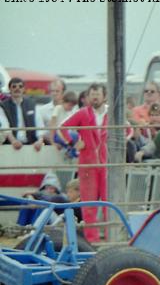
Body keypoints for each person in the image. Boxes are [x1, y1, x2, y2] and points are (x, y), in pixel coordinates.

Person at [59, 83, 109, 243]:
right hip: (87, 164)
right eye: (92, 94)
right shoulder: (83, 113)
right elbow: (63, 128)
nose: (94, 97)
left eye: (97, 94)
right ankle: (92, 241)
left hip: (108, 164)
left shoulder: (112, 113)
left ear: (104, 96)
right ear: (88, 96)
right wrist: (72, 144)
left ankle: (111, 238)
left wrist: (117, 148)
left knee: (110, 202)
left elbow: (128, 130)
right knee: (89, 205)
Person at [0, 77, 47, 151]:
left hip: (31, 145)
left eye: (20, 86)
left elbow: (39, 125)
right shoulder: (3, 106)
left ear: (24, 89)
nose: (17, 89)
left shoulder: (32, 104)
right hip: (10, 146)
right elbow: (5, 127)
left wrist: (40, 141)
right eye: (14, 86)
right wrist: (13, 141)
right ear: (10, 89)